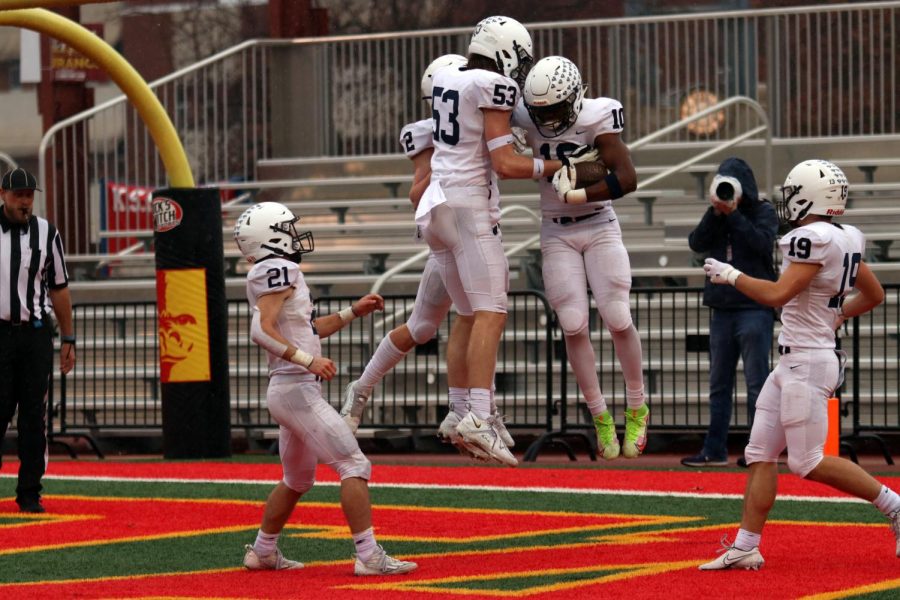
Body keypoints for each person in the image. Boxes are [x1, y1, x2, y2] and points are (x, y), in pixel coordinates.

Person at [699, 159, 900, 570]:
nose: (787, 202)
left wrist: (731, 275)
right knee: (759, 453)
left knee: (806, 461)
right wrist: (839, 314)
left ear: (809, 195)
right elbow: (874, 293)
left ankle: (895, 506)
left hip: (807, 362)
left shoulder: (812, 238)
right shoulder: (846, 235)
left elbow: (777, 295)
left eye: (792, 194)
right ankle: (745, 545)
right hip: (797, 359)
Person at [415, 16, 579, 466]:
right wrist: (549, 167)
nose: (522, 68)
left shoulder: (449, 73)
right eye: (521, 57)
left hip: (436, 204)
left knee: (467, 315)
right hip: (469, 206)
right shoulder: (493, 84)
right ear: (506, 50)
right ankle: (480, 418)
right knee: (491, 311)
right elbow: (504, 163)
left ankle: (461, 409)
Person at [233, 202, 417, 576]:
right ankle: (368, 555)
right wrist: (306, 360)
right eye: (288, 228)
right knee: (354, 464)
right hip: (294, 388)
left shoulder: (278, 271)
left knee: (297, 479)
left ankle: (263, 551)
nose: (295, 235)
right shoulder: (279, 267)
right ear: (271, 235)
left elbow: (310, 328)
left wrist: (353, 312)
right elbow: (259, 329)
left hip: (291, 389)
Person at [514, 56, 649, 460]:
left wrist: (581, 192)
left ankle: (638, 406)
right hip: (556, 230)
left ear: (574, 99)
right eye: (541, 112)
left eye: (556, 109)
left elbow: (626, 177)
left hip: (598, 223)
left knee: (617, 316)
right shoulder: (525, 111)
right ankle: (600, 416)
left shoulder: (598, 115)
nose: (549, 118)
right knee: (572, 324)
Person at [681, 157, 778, 468]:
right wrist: (715, 213)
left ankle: (757, 451)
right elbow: (696, 242)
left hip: (754, 308)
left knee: (756, 384)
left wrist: (735, 215)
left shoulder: (763, 211)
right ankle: (714, 449)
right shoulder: (717, 215)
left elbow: (761, 245)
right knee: (719, 384)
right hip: (722, 309)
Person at [0, 167, 75, 514]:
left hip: (33, 335)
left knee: (34, 416)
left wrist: (68, 337)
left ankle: (30, 492)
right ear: (3, 195)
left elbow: (59, 288)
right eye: (19, 195)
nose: (25, 201)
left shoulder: (47, 232)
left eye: (29, 195)